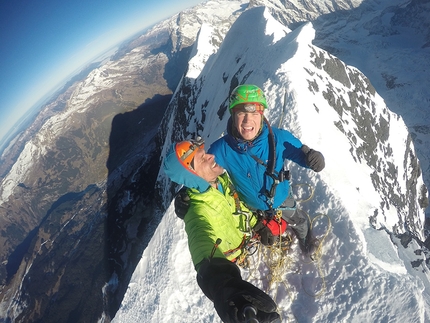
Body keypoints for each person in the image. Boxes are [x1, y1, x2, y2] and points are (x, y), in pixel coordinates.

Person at [164, 138, 282, 323]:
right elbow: (201, 242)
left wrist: (257, 225)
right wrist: (224, 287)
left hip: (246, 237)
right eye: (203, 159)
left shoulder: (221, 180)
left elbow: (239, 206)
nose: (211, 156)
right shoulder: (196, 211)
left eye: (205, 154)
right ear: (192, 175)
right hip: (232, 255)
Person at [207, 84, 325, 255]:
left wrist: (314, 160)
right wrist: (187, 195)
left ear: (261, 115)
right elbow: (202, 173)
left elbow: (303, 155)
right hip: (252, 208)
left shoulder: (279, 138)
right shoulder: (222, 149)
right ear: (233, 115)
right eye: (242, 113)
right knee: (264, 232)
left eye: (254, 113)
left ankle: (306, 241)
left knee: (298, 220)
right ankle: (280, 236)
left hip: (281, 198)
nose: (248, 121)